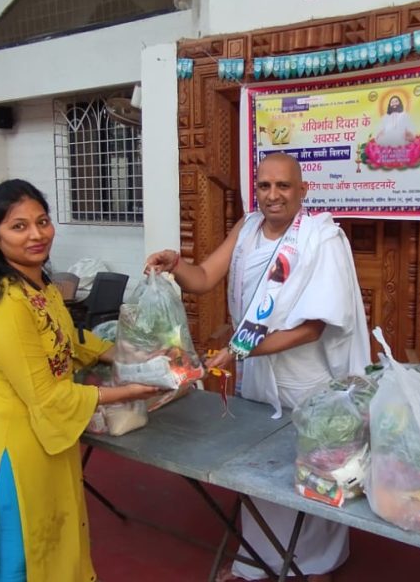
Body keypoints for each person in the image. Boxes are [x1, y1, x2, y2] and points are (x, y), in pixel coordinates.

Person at [145, 153, 370, 581]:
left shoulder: (321, 238)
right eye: (264, 186)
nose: (272, 195)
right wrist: (176, 265)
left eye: (283, 186)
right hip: (257, 374)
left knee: (317, 466)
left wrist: (241, 349)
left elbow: (313, 328)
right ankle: (258, 560)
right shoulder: (247, 229)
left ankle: (317, 563)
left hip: (306, 379)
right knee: (257, 470)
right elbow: (204, 276)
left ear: (302, 190)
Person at [0, 179, 160, 581]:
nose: (36, 234)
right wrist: (133, 389)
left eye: (42, 221)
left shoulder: (39, 285)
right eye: (19, 226)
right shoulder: (4, 306)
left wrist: (131, 356)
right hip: (11, 449)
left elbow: (69, 339)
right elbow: (49, 397)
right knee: (22, 560)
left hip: (45, 439)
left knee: (55, 546)